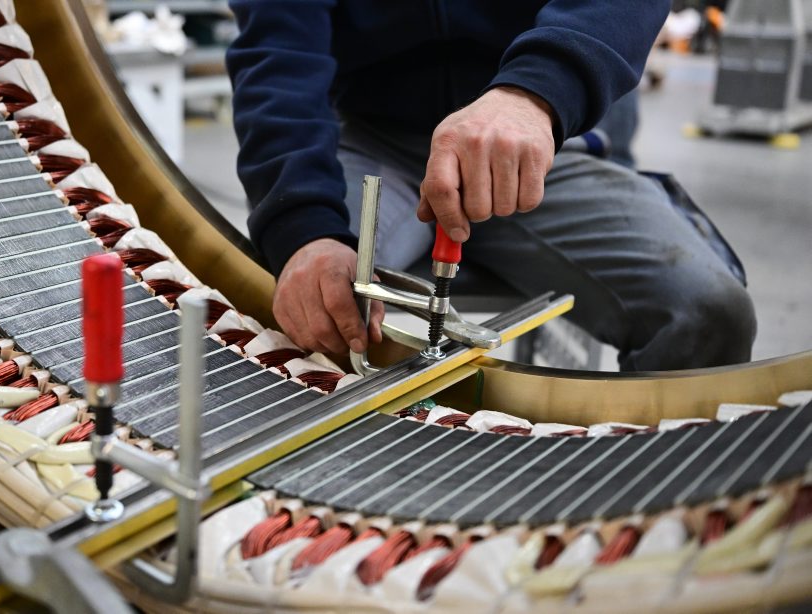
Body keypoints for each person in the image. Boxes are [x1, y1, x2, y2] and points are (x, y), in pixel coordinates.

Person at [226, 1, 756, 371]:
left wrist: (536, 91)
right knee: (315, 316)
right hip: (376, 141)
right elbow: (279, 53)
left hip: (536, 135)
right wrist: (303, 229)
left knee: (706, 310)